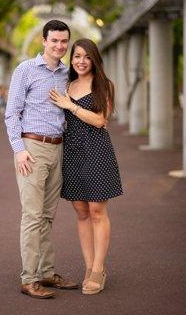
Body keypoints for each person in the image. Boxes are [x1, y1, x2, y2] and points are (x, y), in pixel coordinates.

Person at [5, 20, 78, 299]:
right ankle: (29, 278)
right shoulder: (25, 70)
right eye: (54, 41)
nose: (60, 46)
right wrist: (18, 149)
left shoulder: (65, 74)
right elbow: (12, 113)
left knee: (48, 216)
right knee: (32, 216)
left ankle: (46, 272)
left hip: (58, 148)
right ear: (43, 41)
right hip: (32, 149)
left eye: (64, 42)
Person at [49, 38, 123, 295]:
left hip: (97, 151)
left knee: (97, 212)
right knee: (81, 212)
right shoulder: (65, 84)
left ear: (94, 59)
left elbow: (101, 119)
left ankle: (98, 269)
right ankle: (88, 266)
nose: (81, 61)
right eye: (76, 56)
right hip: (71, 152)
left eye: (86, 56)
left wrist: (70, 105)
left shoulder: (104, 85)